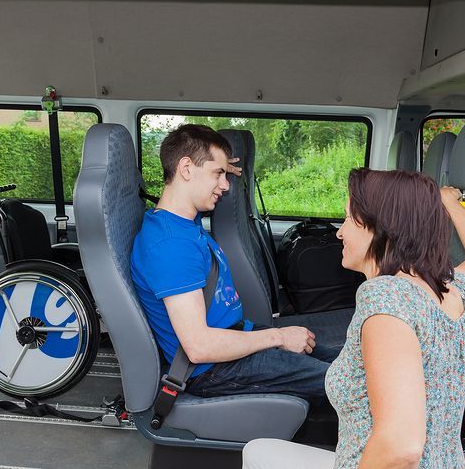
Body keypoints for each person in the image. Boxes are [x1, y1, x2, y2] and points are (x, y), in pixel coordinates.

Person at [242, 168, 465, 469]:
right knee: (260, 458)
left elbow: (401, 445)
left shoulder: (384, 300)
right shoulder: (453, 290)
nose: (339, 231)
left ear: (382, 227)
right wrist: (449, 205)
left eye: (349, 218)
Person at [130, 124, 343, 404]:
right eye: (217, 174)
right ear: (186, 169)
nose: (225, 184)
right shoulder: (171, 246)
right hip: (212, 369)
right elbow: (199, 347)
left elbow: (186, 190)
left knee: (344, 363)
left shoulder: (181, 220)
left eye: (224, 174)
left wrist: (216, 167)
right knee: (345, 385)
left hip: (233, 340)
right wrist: (277, 337)